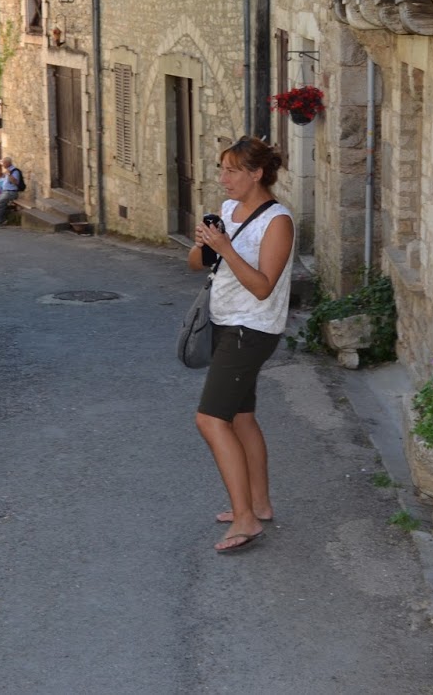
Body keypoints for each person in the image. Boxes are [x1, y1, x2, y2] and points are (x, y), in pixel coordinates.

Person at [188, 136, 295, 554]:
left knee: (210, 420)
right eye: (222, 169)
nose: (223, 178)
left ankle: (246, 519)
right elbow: (196, 265)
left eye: (232, 170)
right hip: (223, 321)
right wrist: (204, 245)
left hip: (252, 329)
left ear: (257, 174)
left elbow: (263, 287)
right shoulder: (229, 211)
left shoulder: (278, 221)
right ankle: (260, 504)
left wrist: (226, 248)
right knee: (242, 417)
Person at [0, 156, 25, 227]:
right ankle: (0, 219)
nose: (3, 165)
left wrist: (9, 174)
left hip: (11, 192)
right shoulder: (8, 171)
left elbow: (16, 182)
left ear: (8, 163)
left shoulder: (14, 171)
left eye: (4, 163)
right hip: (5, 192)